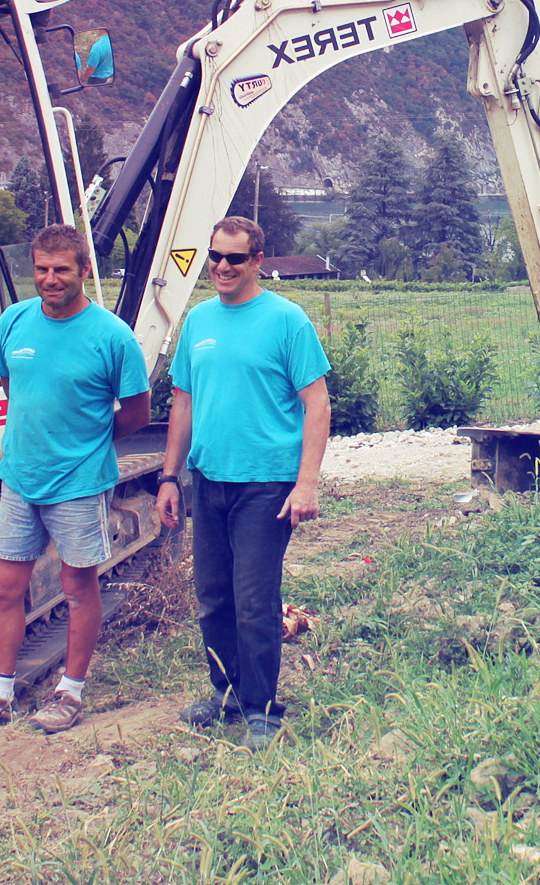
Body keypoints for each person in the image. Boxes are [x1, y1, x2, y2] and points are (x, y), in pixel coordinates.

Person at [0, 224, 149, 735]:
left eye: (62, 270)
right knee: (2, 587)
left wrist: (86, 443)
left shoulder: (111, 336)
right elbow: (13, 386)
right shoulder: (13, 322)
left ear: (82, 271)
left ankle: (69, 693)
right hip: (20, 479)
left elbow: (137, 413)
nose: (50, 279)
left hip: (78, 481)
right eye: (42, 269)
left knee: (78, 586)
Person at [155, 216, 331, 751]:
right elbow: (182, 403)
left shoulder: (286, 320)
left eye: (234, 258)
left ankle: (261, 708)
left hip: (266, 485)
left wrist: (306, 484)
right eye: (215, 256)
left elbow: (317, 403)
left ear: (257, 260)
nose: (222, 266)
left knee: (254, 600)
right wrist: (169, 476)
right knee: (212, 596)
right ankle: (226, 693)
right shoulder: (198, 322)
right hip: (209, 481)